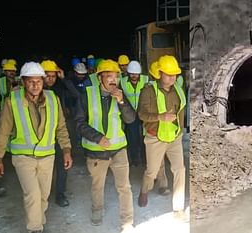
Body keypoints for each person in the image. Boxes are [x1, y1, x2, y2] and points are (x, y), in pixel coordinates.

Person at [0, 62, 72, 233]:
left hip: (47, 156)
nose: (35, 85)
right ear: (23, 82)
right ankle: (35, 228)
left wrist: (66, 150)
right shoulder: (12, 101)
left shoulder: (53, 99)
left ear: (43, 81)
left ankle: (38, 220)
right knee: (32, 195)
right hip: (23, 157)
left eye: (38, 81)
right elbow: (3, 131)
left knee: (44, 196)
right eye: (30, 81)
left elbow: (61, 127)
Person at [75, 59, 135, 231]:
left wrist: (122, 102)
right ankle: (97, 210)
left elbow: (130, 119)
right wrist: (98, 137)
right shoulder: (86, 94)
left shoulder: (120, 94)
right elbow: (79, 123)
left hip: (119, 149)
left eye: (115, 76)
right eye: (108, 75)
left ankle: (127, 220)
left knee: (124, 187)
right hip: (96, 151)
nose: (113, 79)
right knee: (97, 185)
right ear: (99, 77)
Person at [137, 55, 188, 221]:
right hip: (155, 137)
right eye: (168, 74)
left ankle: (178, 209)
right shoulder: (148, 90)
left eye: (174, 74)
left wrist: (180, 130)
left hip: (174, 137)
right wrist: (160, 117)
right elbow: (141, 114)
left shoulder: (178, 89)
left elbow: (181, 111)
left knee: (179, 169)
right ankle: (144, 191)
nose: (172, 77)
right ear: (159, 74)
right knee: (152, 170)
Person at [41, 60, 79, 207]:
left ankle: (60, 194)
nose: (50, 79)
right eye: (47, 76)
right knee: (44, 168)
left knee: (62, 164)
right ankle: (43, 194)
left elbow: (76, 95)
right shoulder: (33, 90)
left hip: (59, 131)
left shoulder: (61, 89)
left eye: (53, 76)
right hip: (41, 135)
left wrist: (64, 79)